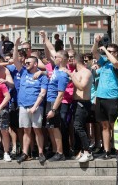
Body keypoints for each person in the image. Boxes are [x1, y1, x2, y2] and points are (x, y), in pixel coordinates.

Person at [13, 37, 48, 164]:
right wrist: (16, 46)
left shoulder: (41, 76)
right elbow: (15, 60)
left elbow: (42, 93)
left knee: (37, 130)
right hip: (23, 106)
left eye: (28, 63)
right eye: (25, 62)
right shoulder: (23, 72)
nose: (25, 64)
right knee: (26, 130)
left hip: (36, 107)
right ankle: (25, 153)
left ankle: (40, 153)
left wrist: (35, 106)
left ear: (35, 64)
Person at [92, 35, 118, 160]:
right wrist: (96, 42)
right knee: (104, 126)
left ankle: (117, 149)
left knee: (113, 125)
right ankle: (106, 150)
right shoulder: (104, 63)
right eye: (109, 51)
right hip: (100, 97)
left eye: (112, 52)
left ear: (117, 53)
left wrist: (106, 50)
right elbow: (94, 52)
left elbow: (115, 63)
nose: (109, 53)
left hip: (112, 98)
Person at [40, 30, 69, 162]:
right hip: (49, 101)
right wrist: (45, 37)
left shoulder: (63, 74)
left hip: (54, 103)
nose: (53, 58)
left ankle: (60, 152)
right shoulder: (57, 69)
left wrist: (53, 110)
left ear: (61, 59)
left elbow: (61, 95)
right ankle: (55, 150)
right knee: (50, 128)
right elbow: (52, 49)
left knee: (55, 128)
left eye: (56, 57)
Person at [63, 54, 94, 163]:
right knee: (78, 128)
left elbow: (82, 86)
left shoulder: (86, 72)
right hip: (75, 102)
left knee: (78, 127)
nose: (69, 63)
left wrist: (71, 76)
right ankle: (82, 150)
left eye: (71, 60)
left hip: (83, 103)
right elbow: (68, 84)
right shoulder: (75, 73)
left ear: (75, 61)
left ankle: (88, 151)